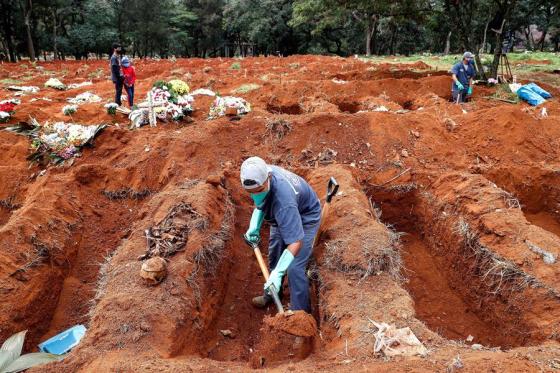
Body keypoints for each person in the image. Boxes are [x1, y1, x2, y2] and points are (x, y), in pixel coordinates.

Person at [241, 156, 321, 313]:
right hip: (283, 213)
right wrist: (254, 226)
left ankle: (300, 314)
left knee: (294, 266)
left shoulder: (284, 203)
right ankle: (272, 293)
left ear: (268, 179)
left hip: (306, 216)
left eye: (258, 191)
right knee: (275, 252)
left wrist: (278, 273)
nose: (255, 195)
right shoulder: (260, 172)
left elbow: (296, 242)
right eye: (250, 192)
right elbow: (261, 203)